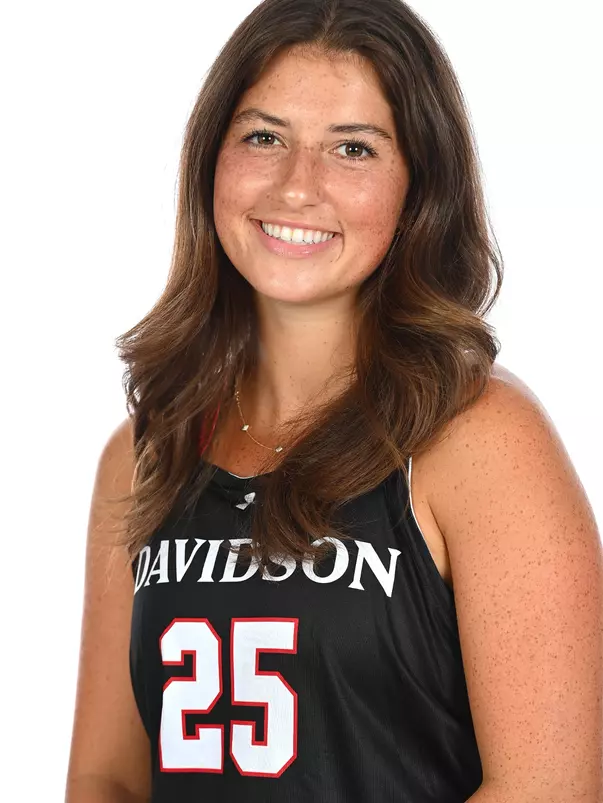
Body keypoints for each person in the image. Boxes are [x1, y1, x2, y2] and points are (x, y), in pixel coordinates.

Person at [65, 0, 602, 801]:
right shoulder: (146, 451)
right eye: (263, 137)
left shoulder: (479, 439)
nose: (296, 186)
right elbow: (106, 778)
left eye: (352, 148)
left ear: (418, 188)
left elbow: (550, 787)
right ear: (210, 159)